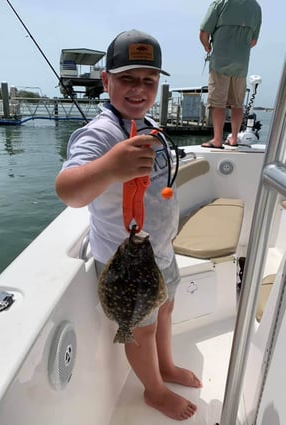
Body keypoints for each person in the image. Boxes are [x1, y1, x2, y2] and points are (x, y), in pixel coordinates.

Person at [55, 29, 202, 421]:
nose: (139, 89)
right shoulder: (100, 134)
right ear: (106, 81)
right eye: (127, 79)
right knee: (142, 330)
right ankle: (154, 390)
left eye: (148, 81)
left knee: (167, 310)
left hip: (160, 254)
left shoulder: (149, 124)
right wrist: (109, 167)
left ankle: (167, 367)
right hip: (125, 264)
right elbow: (68, 191)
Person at [199, 0, 262, 149]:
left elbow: (203, 33)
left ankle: (217, 140)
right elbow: (253, 41)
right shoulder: (255, 7)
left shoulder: (220, 3)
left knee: (217, 103)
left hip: (220, 62)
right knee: (237, 104)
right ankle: (234, 138)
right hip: (241, 63)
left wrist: (207, 46)